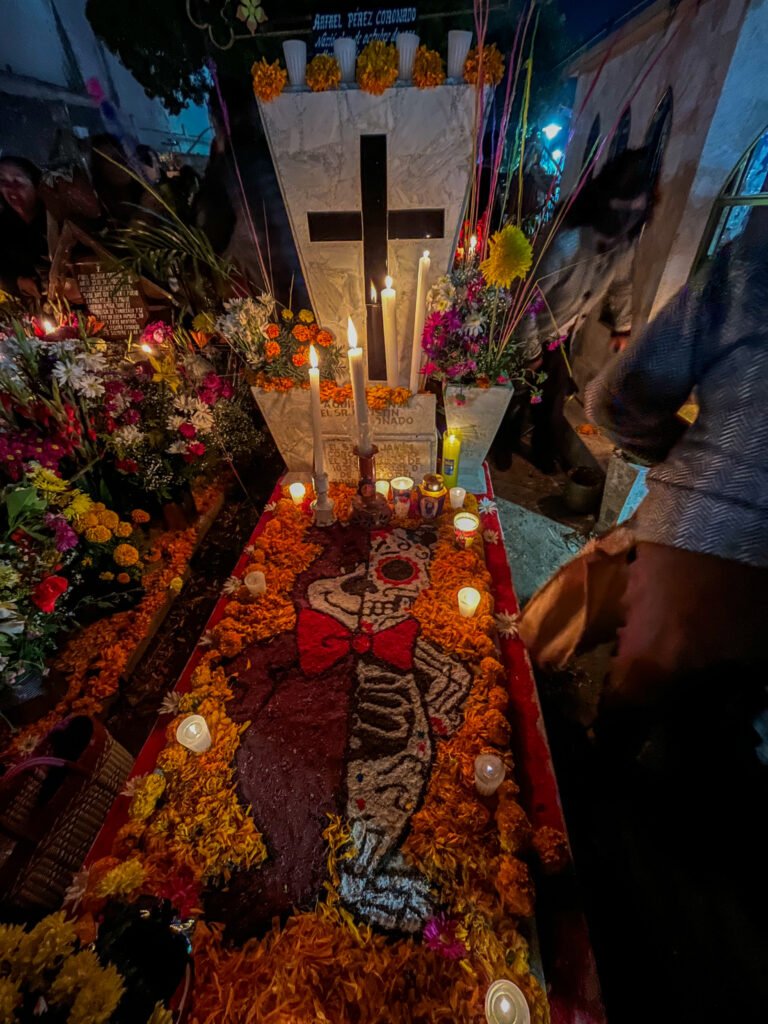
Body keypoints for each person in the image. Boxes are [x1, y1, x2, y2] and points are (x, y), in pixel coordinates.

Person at [584, 214, 768, 719]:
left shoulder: (754, 257)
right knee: (718, 726)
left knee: (632, 707)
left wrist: (694, 457)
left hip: (700, 534)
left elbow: (615, 400)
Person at [494, 148, 655, 471]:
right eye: (621, 213)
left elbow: (621, 283)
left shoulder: (623, 242)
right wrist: (529, 352)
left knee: (552, 398)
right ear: (605, 204)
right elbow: (526, 299)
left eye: (635, 215)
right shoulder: (566, 242)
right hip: (525, 331)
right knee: (512, 393)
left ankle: (543, 451)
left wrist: (621, 327)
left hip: (561, 332)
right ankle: (499, 444)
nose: (625, 224)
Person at [0, 156, 50, 301]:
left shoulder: (56, 219)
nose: (10, 188)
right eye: (3, 181)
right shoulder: (4, 225)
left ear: (36, 185)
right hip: (27, 311)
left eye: (17, 181)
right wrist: (18, 282)